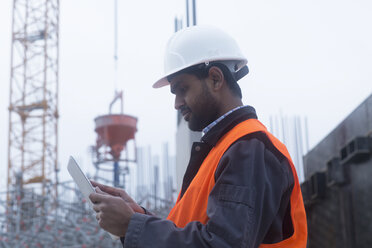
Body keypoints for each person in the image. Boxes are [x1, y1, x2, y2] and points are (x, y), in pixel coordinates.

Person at [89, 25, 307, 248]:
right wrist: (139, 217)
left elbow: (222, 244)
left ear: (215, 79)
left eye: (182, 88)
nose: (177, 103)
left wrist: (133, 225)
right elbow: (197, 232)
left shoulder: (249, 148)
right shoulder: (223, 150)